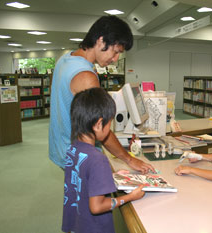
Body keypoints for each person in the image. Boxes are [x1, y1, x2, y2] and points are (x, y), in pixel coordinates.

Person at [49, 15, 154, 173]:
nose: (116, 59)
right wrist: (129, 159)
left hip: (62, 149)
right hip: (81, 156)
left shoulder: (66, 58)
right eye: (116, 51)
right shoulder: (86, 76)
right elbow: (100, 129)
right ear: (101, 41)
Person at [62, 87, 145, 233]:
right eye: (110, 123)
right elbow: (97, 207)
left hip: (78, 223)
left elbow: (81, 178)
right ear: (99, 124)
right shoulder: (98, 159)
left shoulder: (73, 149)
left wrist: (109, 176)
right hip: (94, 227)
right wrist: (130, 197)